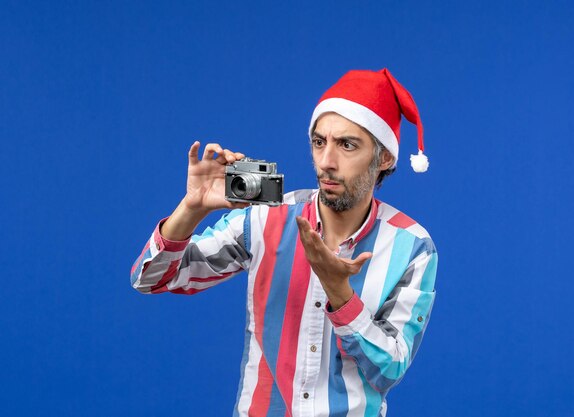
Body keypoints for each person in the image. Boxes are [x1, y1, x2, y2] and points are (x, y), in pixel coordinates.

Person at [130, 68, 438, 417]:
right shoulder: (266, 217)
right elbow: (151, 278)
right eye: (319, 142)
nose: (326, 162)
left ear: (384, 158)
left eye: (347, 145)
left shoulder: (411, 246)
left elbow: (389, 369)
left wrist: (340, 293)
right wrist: (192, 208)